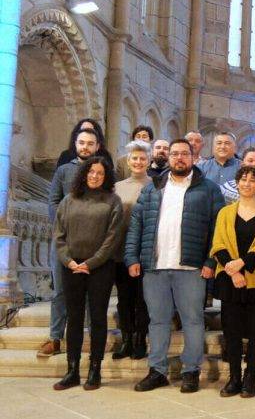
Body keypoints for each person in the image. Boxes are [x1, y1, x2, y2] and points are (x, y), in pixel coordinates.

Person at [126, 139, 225, 393]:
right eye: (175, 153)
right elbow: (136, 224)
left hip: (191, 268)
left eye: (184, 154)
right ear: (168, 157)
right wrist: (132, 257)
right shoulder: (152, 188)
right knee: (158, 321)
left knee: (193, 320)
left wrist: (210, 261)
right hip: (155, 266)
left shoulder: (209, 189)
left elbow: (218, 229)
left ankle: (191, 371)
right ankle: (157, 370)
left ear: (193, 157)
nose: (179, 158)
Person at [52, 157, 123, 390]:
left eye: (100, 173)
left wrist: (91, 263)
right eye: (91, 172)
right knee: (74, 319)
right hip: (71, 266)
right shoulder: (68, 200)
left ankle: (95, 370)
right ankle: (72, 370)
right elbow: (59, 235)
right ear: (83, 173)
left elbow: (112, 239)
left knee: (98, 318)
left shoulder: (113, 201)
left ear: (106, 177)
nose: (94, 176)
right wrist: (69, 261)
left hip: (100, 267)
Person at [211, 166, 255, 398]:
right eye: (243, 179)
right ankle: (234, 377)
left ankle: (250, 377)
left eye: (252, 180)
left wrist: (242, 265)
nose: (247, 183)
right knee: (232, 332)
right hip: (230, 280)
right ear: (237, 184)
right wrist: (234, 270)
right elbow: (218, 244)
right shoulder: (225, 213)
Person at [39, 125, 103, 358]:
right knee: (61, 292)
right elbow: (53, 202)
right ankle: (55, 337)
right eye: (81, 143)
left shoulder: (102, 171)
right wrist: (65, 228)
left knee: (89, 292)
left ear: (98, 146)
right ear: (75, 145)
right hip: (64, 242)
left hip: (92, 243)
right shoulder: (64, 171)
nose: (85, 147)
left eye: (90, 143)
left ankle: (83, 336)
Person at [112, 141, 152, 361]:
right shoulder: (117, 187)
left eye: (142, 158)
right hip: (120, 251)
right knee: (124, 298)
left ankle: (140, 340)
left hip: (144, 252)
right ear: (128, 161)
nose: (138, 162)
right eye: (134, 158)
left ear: (149, 161)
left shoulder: (156, 186)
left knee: (142, 299)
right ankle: (126, 339)